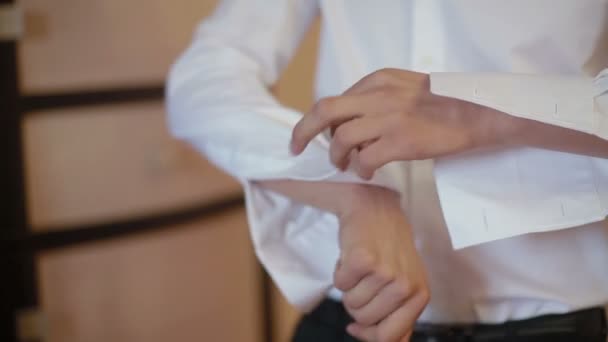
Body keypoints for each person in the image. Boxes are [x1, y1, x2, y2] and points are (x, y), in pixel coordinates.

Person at [167, 1, 608, 341]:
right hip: (343, 323)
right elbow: (204, 78)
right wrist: (353, 195)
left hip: (556, 327)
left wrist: (482, 112)